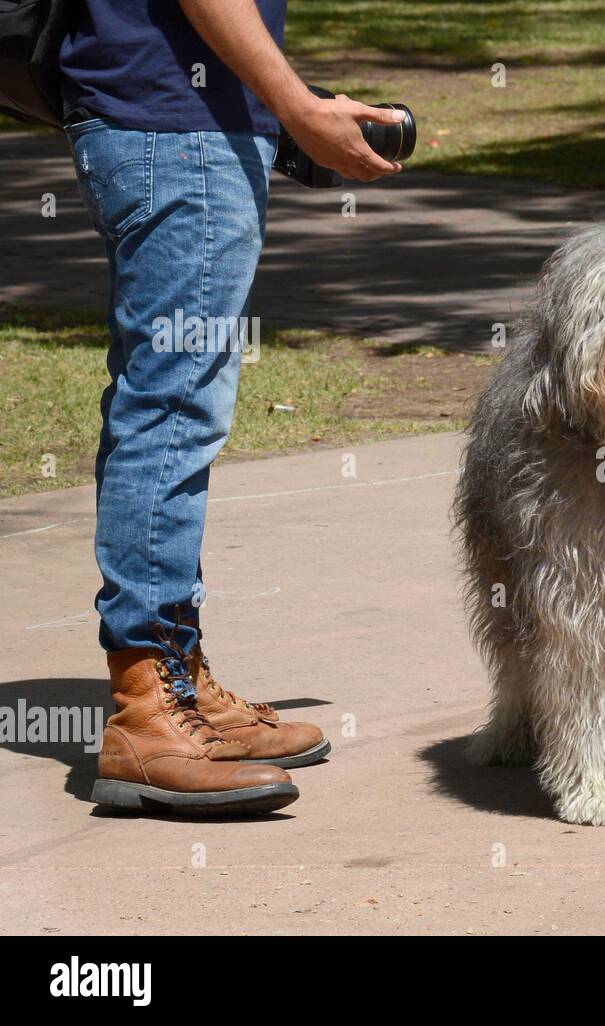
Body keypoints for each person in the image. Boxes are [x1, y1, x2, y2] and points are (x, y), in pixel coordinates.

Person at [61, 0, 406, 813]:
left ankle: (180, 680)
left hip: (167, 120)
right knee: (173, 407)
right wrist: (295, 106)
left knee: (176, 401)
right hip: (175, 132)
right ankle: (147, 713)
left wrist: (283, 104)